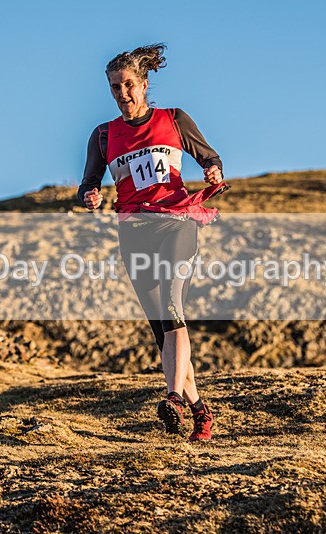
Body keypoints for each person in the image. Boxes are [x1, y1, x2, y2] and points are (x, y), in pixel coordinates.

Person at [77, 44, 228, 441]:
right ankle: (200, 411)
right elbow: (88, 183)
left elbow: (210, 157)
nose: (122, 94)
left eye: (128, 85)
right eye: (114, 88)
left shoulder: (174, 119)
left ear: (143, 85)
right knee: (163, 331)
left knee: (173, 305)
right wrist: (90, 196)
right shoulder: (103, 135)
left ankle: (173, 398)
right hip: (134, 232)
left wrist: (212, 169)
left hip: (177, 222)